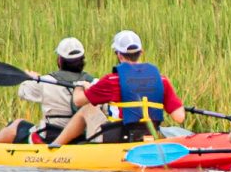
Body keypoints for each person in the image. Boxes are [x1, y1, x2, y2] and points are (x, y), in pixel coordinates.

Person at [49, 30, 185, 146]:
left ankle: (55, 146)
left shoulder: (112, 80)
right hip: (148, 136)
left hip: (118, 138)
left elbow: (78, 101)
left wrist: (80, 86)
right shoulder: (162, 80)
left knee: (87, 109)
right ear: (141, 52)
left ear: (119, 55)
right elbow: (179, 117)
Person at [0, 37, 95, 144]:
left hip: (50, 137)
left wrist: (30, 78)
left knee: (18, 124)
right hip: (82, 137)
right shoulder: (94, 83)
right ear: (82, 60)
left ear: (60, 60)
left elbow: (22, 92)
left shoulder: (46, 81)